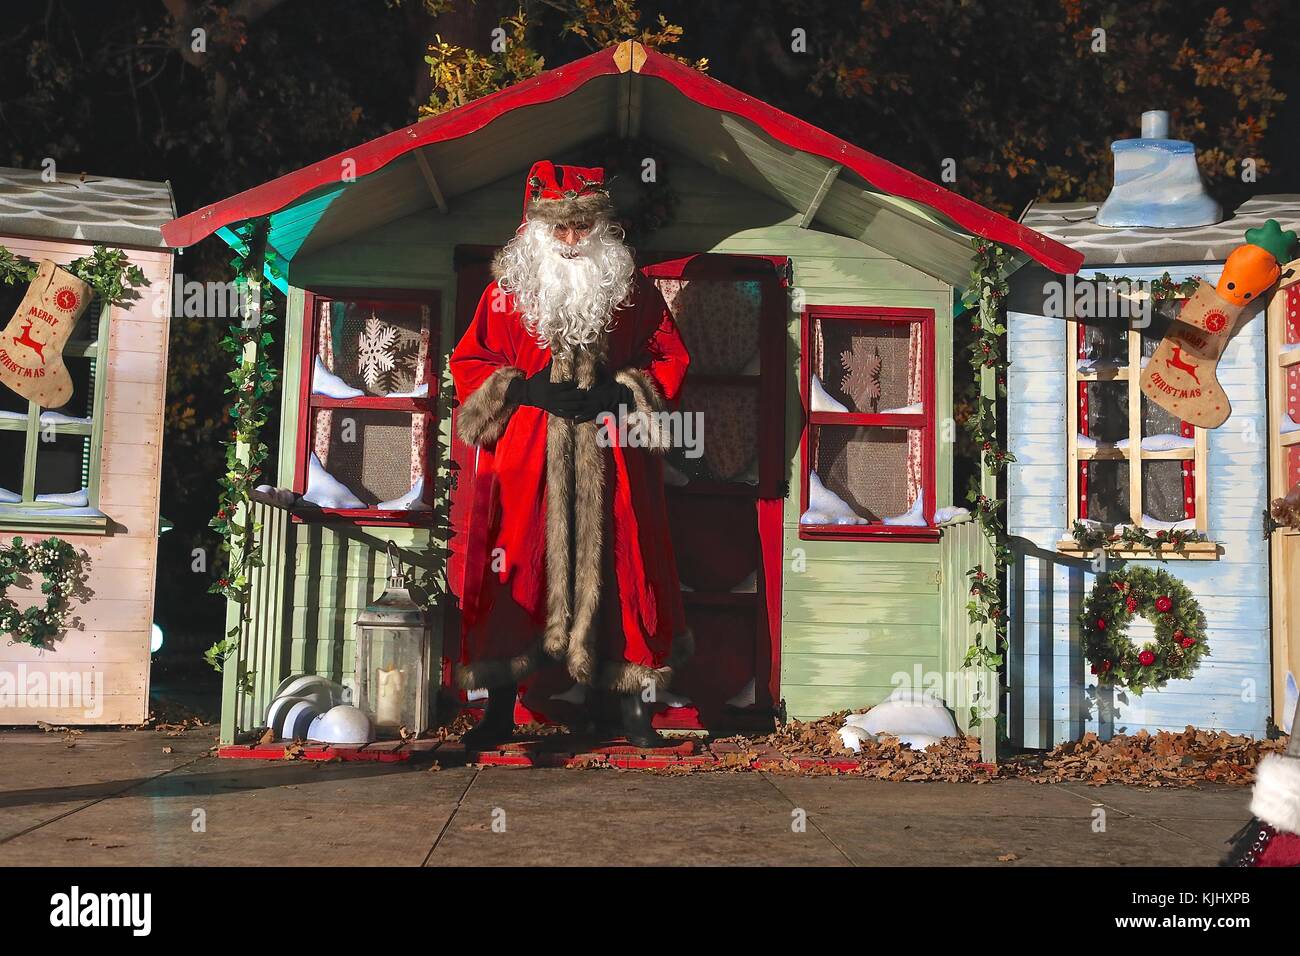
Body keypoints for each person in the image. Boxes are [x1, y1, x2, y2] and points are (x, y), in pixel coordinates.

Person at [449, 160, 692, 750]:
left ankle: (633, 712)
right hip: (528, 457)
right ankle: (500, 711)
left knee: (627, 566)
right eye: (560, 227)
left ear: (601, 229)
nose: (571, 239)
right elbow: (470, 363)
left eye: (582, 226)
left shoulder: (630, 295)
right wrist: (522, 389)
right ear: (536, 229)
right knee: (520, 570)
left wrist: (624, 389)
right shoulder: (504, 295)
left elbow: (669, 359)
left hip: (616, 454)